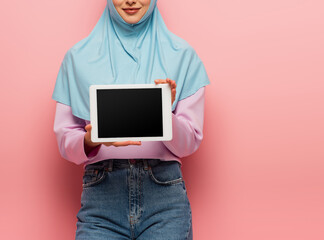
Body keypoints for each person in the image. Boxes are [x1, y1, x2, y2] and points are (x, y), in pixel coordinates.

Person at [52, 0, 210, 239]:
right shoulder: (76, 58)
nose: (131, 1)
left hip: (164, 197)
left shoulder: (183, 56)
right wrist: (92, 138)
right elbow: (66, 142)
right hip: (101, 196)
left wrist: (163, 113)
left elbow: (189, 144)